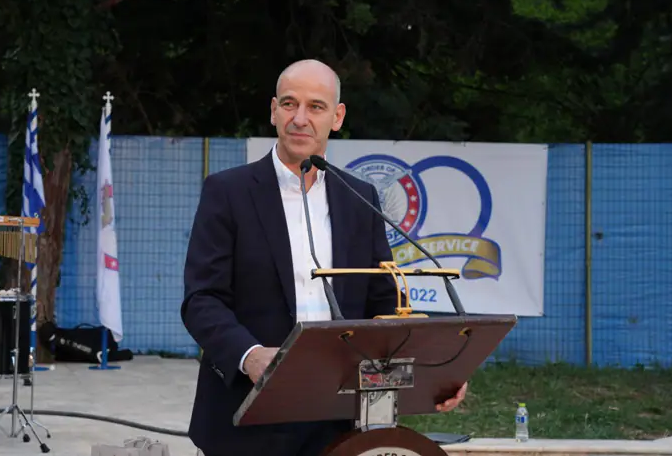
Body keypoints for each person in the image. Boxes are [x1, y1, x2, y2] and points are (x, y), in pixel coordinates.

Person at [181, 59, 467, 456]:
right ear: (273, 111)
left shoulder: (360, 198)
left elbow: (383, 304)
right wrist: (250, 356)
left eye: (315, 106)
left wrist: (434, 371)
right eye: (289, 103)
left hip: (338, 418)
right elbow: (202, 300)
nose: (300, 118)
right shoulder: (227, 192)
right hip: (246, 414)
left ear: (337, 117)